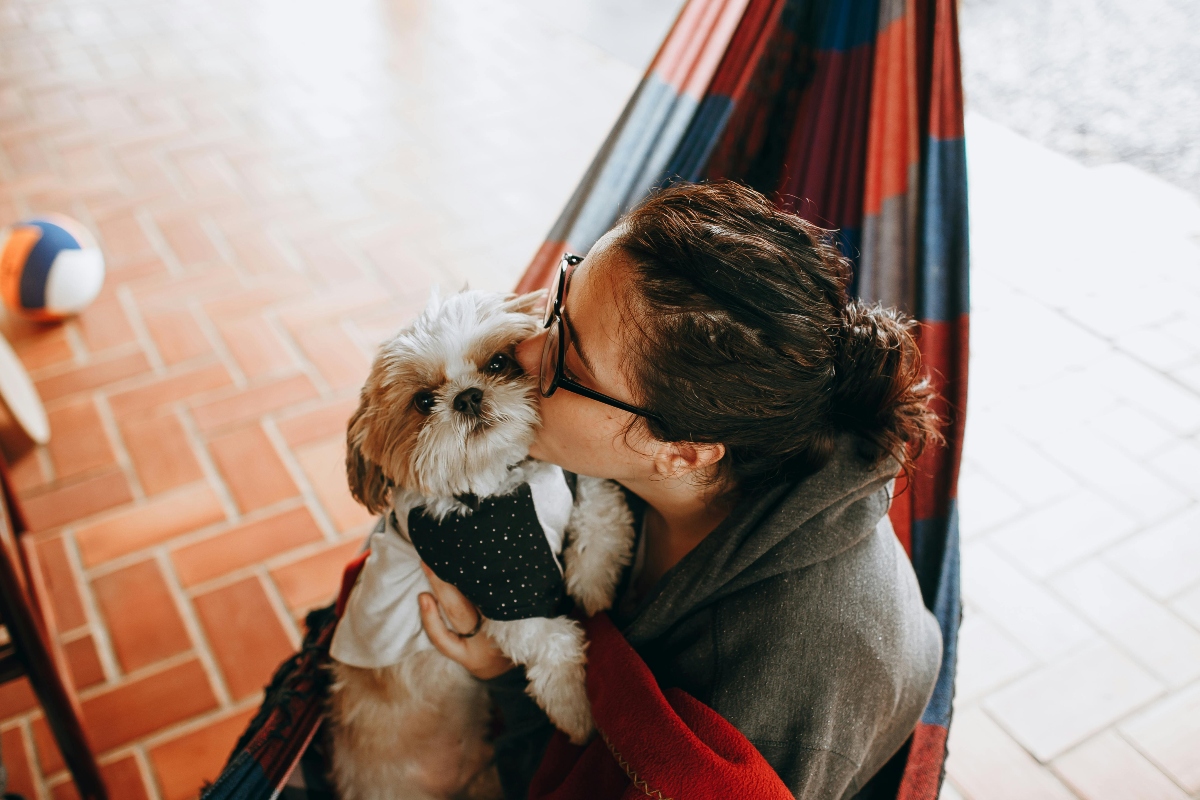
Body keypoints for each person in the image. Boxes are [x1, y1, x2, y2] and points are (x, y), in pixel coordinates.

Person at [415, 181, 944, 799]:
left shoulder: (757, 700)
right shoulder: (689, 468)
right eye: (561, 296)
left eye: (568, 361)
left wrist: (505, 676)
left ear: (681, 451)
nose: (527, 348)